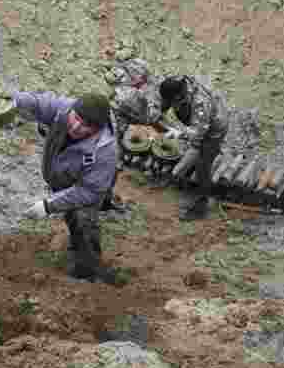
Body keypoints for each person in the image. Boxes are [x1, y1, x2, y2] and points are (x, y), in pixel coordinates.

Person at [15, 91, 120, 283]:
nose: (77, 126)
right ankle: (104, 201)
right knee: (71, 208)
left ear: (97, 128)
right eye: (77, 118)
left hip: (87, 186)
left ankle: (87, 271)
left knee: (82, 219)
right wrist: (12, 103)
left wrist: (47, 206)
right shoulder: (65, 109)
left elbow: (88, 191)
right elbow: (38, 103)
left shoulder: (104, 150)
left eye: (86, 125)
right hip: (66, 175)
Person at [157, 75, 230, 221]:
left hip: (214, 130)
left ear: (179, 96)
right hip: (202, 120)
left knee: (203, 167)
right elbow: (165, 101)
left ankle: (203, 203)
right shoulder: (180, 84)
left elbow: (198, 133)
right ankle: (190, 168)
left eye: (173, 101)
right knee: (192, 154)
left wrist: (179, 133)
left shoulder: (200, 104)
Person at [105, 57, 162, 208]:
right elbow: (149, 117)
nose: (147, 81)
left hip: (107, 127)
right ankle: (103, 199)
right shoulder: (130, 95)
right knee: (113, 163)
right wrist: (154, 97)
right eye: (145, 78)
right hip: (111, 134)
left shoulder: (120, 85)